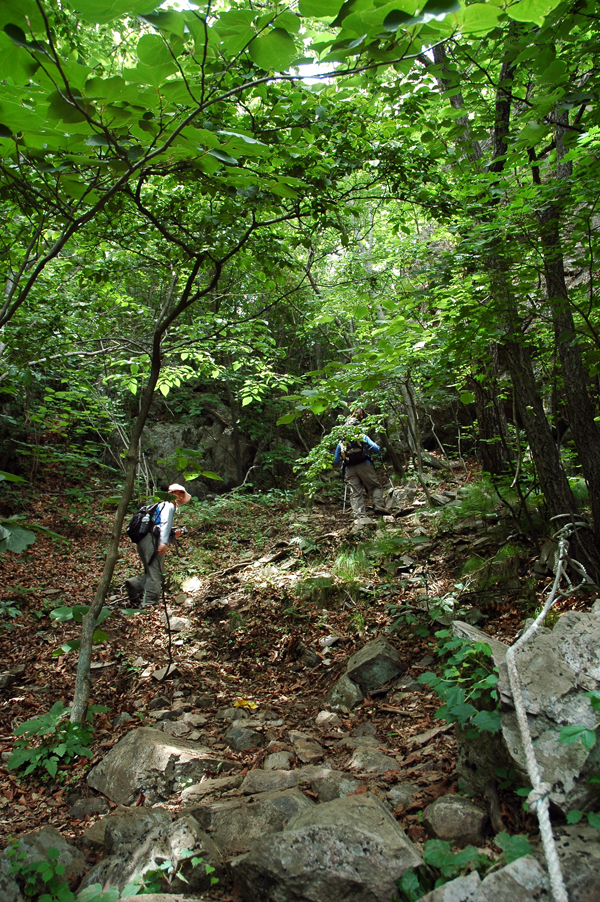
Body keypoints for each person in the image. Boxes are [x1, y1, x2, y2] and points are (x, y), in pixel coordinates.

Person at [125, 483, 191, 607]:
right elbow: (165, 524)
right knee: (156, 575)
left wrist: (172, 536)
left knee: (152, 571)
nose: (181, 498)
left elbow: (158, 527)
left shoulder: (158, 506)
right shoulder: (169, 505)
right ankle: (148, 605)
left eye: (182, 495)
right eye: (179, 494)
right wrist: (164, 542)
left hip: (143, 540)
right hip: (151, 541)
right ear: (172, 494)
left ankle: (135, 583)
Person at [334, 411, 386, 525]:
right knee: (375, 486)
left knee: (355, 493)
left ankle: (360, 518)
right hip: (364, 464)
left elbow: (336, 460)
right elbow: (376, 449)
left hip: (349, 469)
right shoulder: (362, 436)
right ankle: (377, 505)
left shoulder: (341, 442)